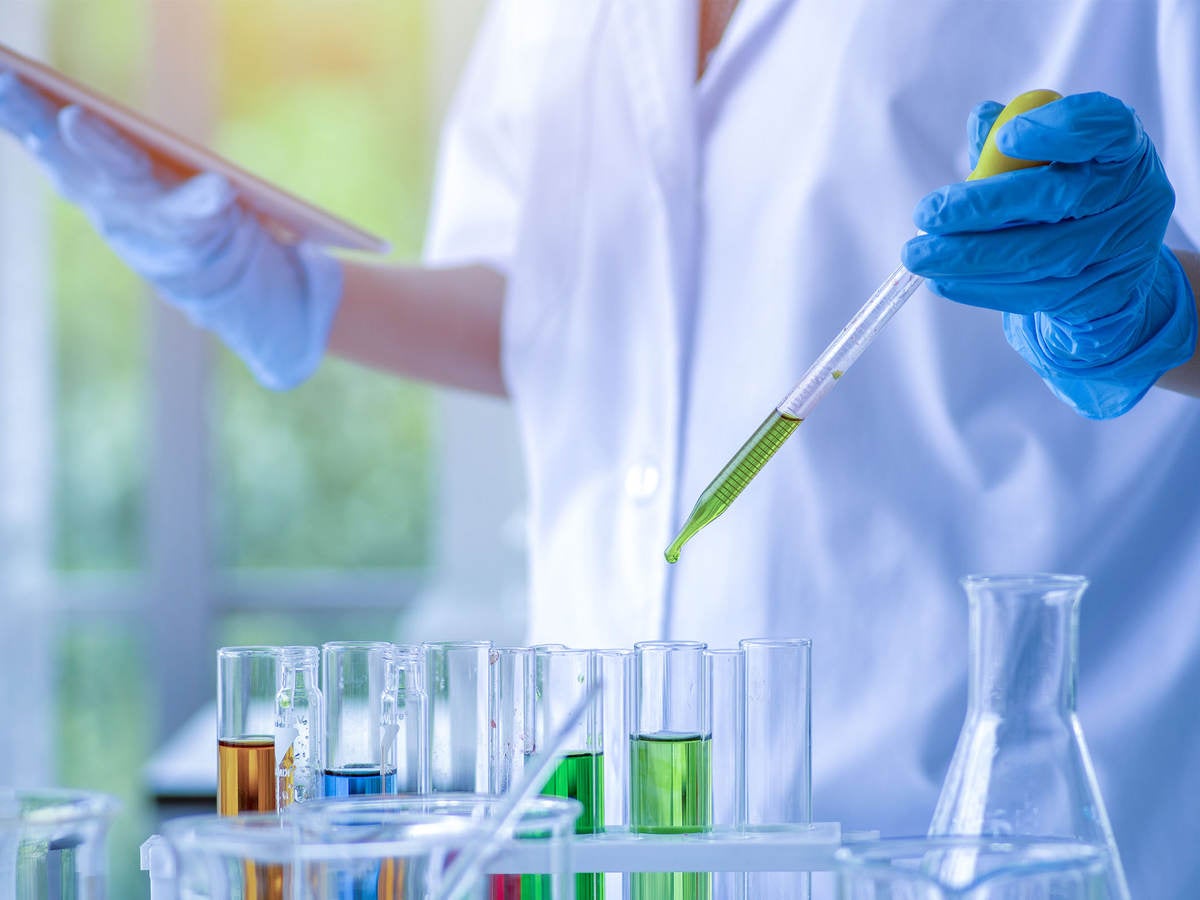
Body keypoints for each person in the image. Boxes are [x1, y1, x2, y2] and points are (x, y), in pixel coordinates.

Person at [3, 0, 1200, 894]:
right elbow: (556, 311)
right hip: (612, 828)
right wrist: (291, 288)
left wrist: (1139, 303)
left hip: (975, 820)